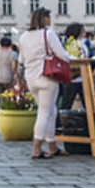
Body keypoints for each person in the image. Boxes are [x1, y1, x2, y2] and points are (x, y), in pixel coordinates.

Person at [18, 8, 71, 159]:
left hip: (31, 78)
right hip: (47, 76)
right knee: (45, 112)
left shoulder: (24, 36)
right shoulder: (48, 34)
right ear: (46, 19)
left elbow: (21, 59)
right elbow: (62, 55)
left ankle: (52, 145)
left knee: (50, 111)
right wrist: (71, 57)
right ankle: (36, 148)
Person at [60, 23, 90, 110]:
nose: (84, 34)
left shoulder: (83, 44)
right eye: (82, 31)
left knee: (87, 103)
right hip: (72, 78)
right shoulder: (70, 43)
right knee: (67, 103)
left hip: (83, 77)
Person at [0, 36, 18, 114]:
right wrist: (15, 74)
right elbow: (14, 66)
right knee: (8, 95)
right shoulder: (13, 54)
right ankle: (6, 110)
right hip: (8, 76)